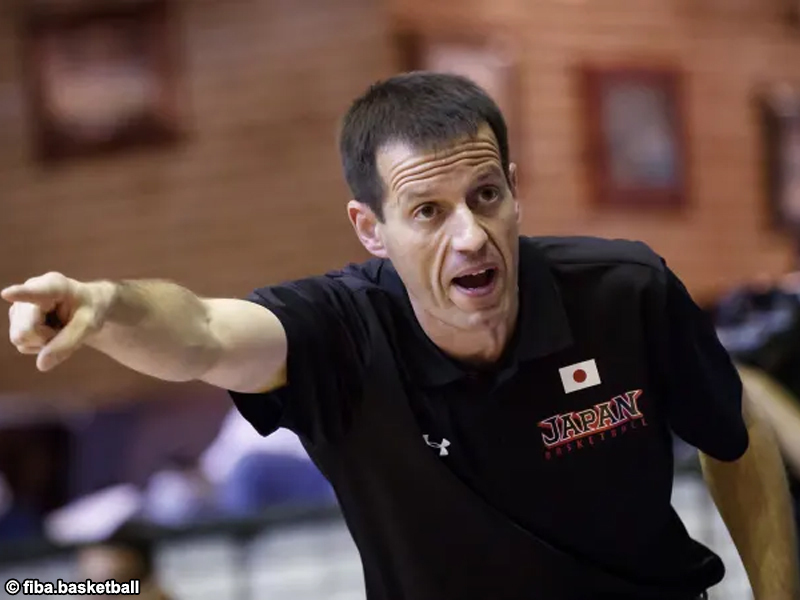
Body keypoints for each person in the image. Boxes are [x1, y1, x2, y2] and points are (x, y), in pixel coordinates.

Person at [3, 72, 798, 600]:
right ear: (370, 228)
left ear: (515, 190)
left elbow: (737, 437)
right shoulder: (337, 332)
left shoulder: (625, 290)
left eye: (486, 196)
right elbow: (202, 333)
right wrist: (107, 306)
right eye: (428, 212)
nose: (471, 236)